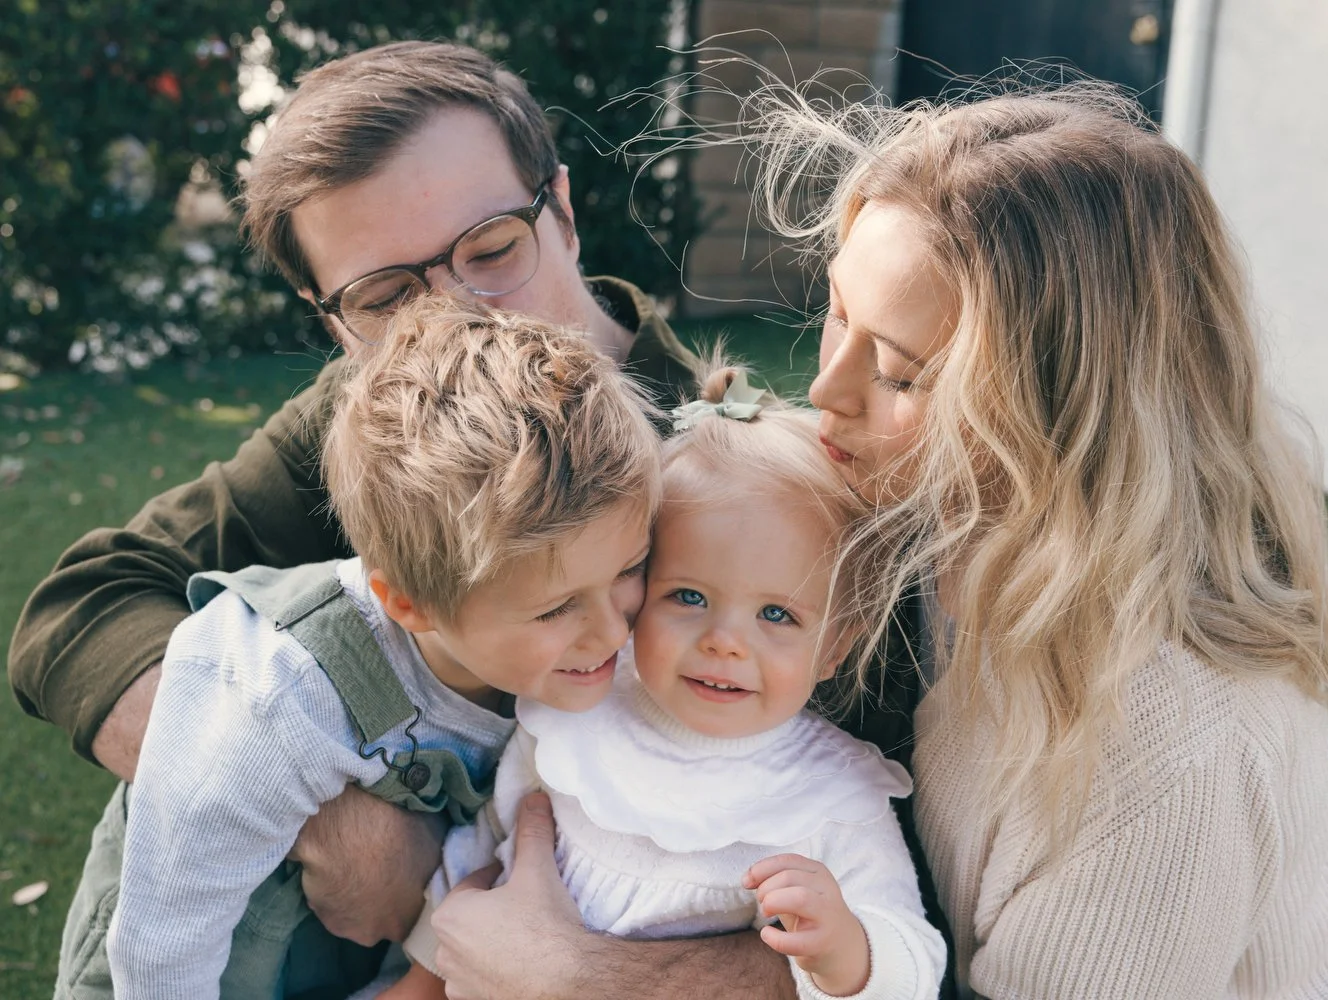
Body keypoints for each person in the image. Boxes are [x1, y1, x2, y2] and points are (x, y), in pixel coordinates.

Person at [423, 86, 1328, 998]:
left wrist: (580, 977)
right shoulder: (929, 509)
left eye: (898, 372)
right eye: (838, 315)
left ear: (1058, 418)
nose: (823, 393)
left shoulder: (1170, 743)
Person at [13, 41, 948, 1000]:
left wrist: (585, 975)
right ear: (330, 319)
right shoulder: (387, 424)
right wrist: (332, 825)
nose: (459, 317)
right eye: (384, 297)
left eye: (494, 248)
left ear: (565, 212)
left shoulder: (748, 487)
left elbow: (899, 901)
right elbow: (83, 609)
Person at [84, 298, 661, 998]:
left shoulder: (558, 645)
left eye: (630, 569)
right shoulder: (279, 695)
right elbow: (162, 945)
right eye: (556, 607)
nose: (612, 630)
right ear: (409, 606)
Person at [379, 369, 946, 1000]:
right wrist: (424, 977)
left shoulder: (833, 795)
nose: (724, 641)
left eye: (777, 615)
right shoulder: (584, 710)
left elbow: (915, 956)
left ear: (838, 645)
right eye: (689, 596)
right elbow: (483, 851)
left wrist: (847, 952)